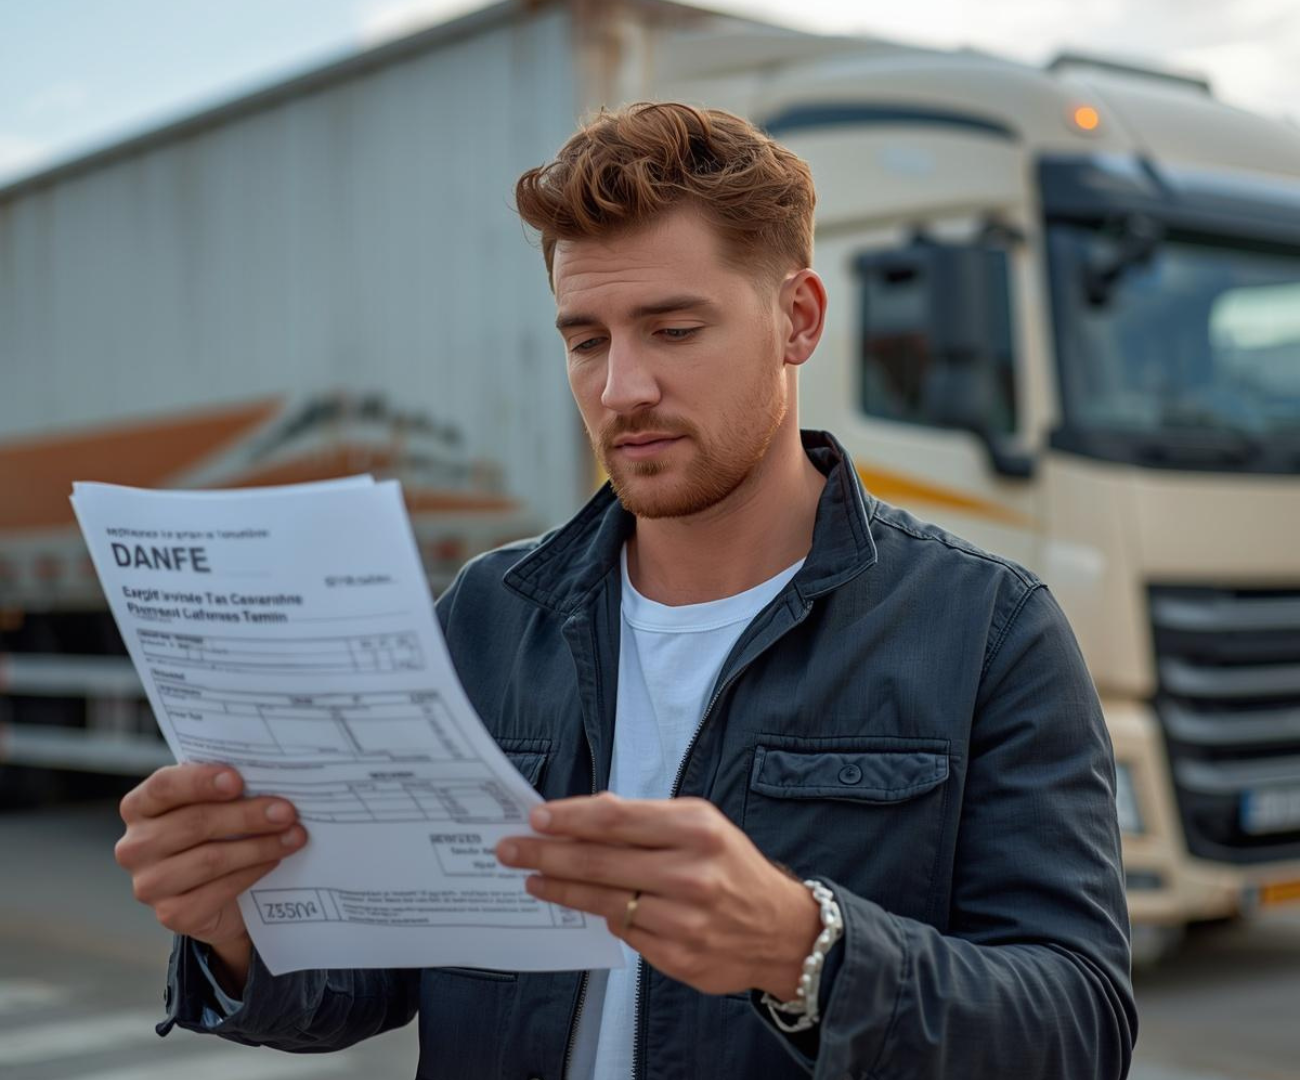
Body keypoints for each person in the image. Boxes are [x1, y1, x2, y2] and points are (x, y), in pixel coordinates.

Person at [114, 102, 1136, 1079]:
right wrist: (237, 928)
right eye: (586, 339)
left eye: (673, 330)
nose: (621, 389)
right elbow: (365, 982)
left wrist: (805, 949)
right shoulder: (485, 618)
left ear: (797, 318)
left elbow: (1077, 1031)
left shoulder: (984, 632)